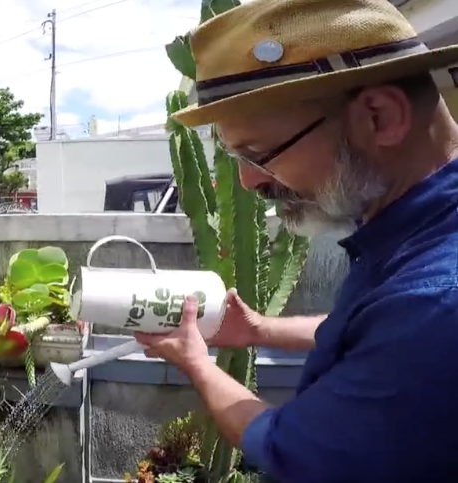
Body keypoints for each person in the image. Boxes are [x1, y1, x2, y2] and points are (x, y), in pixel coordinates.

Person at [134, 0, 458, 482]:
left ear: (379, 117)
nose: (246, 181)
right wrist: (261, 330)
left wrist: (196, 364)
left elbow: (289, 448)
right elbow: (372, 328)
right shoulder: (413, 241)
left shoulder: (435, 304)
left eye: (259, 154)